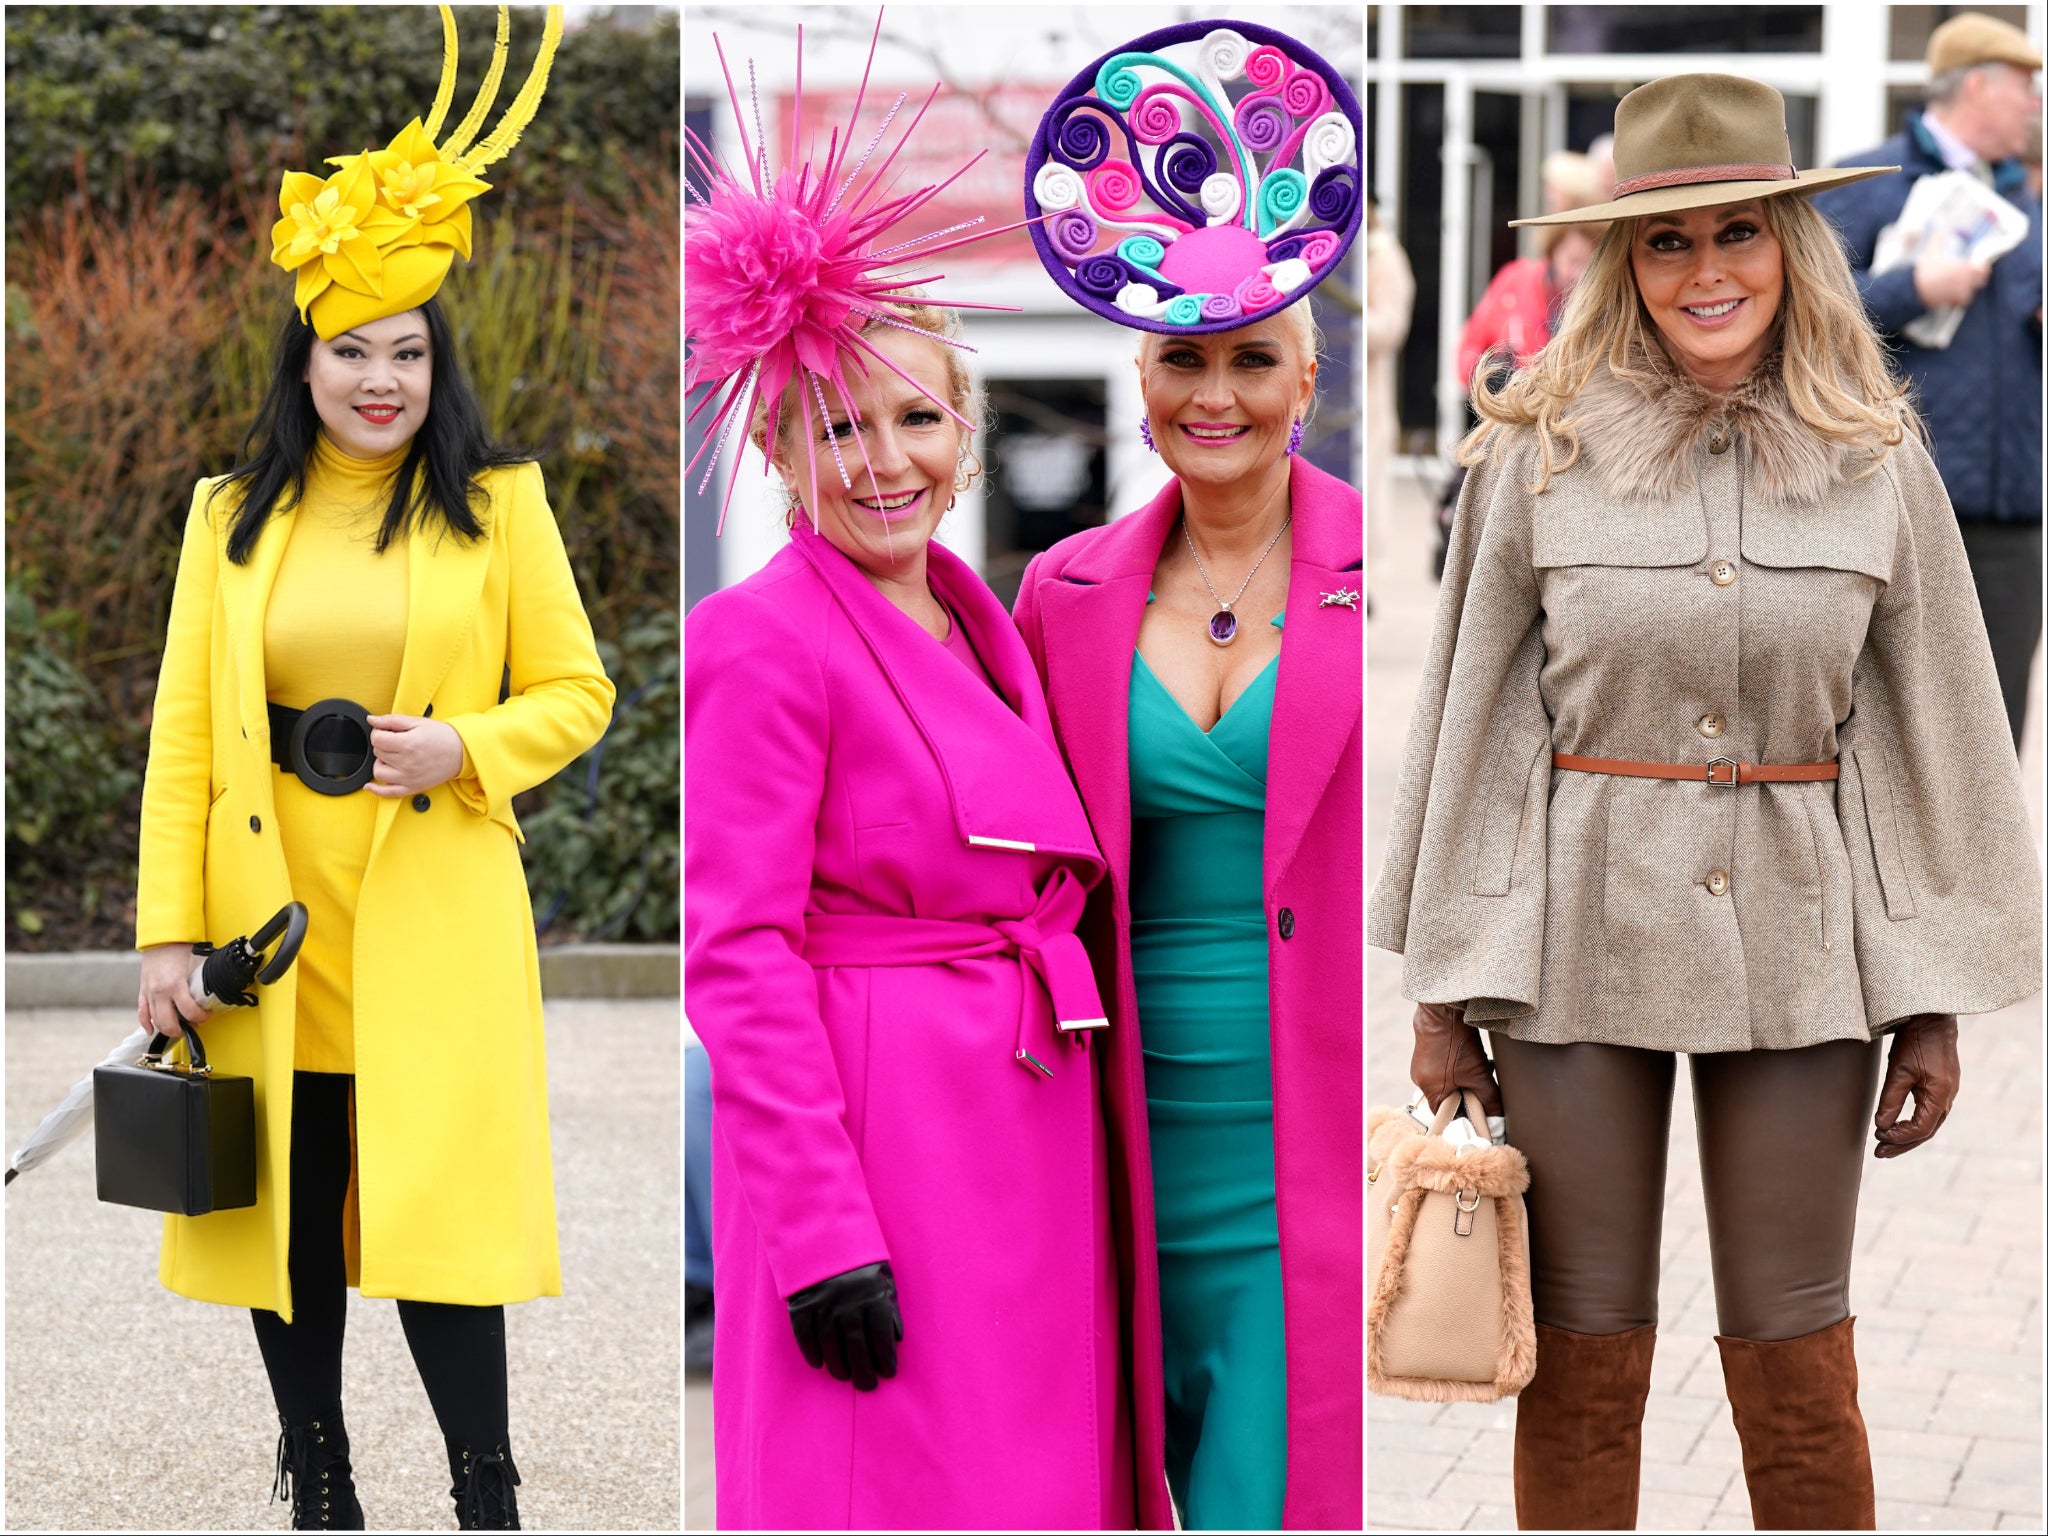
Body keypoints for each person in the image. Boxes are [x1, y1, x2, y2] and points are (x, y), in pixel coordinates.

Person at [1368, 73, 2042, 1532]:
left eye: (1738, 233)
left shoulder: (1878, 456)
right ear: (1621, 261)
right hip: (1572, 944)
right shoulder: (1534, 449)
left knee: (1801, 1353)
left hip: (1801, 946)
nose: (1706, 271)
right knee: (1583, 1357)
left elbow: (1933, 732)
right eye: (1666, 243)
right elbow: (1477, 722)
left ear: (1789, 247)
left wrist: (1928, 992)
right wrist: (1444, 992)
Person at [134, 9, 613, 1529]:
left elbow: (580, 692)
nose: (383, 379)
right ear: (307, 359)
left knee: (431, 1219)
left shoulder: (498, 503)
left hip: (432, 899)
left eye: (408, 352)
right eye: (354, 350)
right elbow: (185, 741)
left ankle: (487, 1488)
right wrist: (162, 935)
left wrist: (464, 745)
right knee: (289, 1211)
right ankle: (319, 1479)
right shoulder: (228, 516)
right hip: (272, 917)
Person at [682, 25, 1127, 1530]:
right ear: (776, 447)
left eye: (917, 417)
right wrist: (816, 1233)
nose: (882, 459)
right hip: (881, 1158)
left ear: (968, 427)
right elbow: (736, 956)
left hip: (1020, 1139)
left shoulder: (981, 615)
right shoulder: (758, 638)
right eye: (836, 425)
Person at [1016, 20, 1363, 1530]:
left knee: (1269, 1486)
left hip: (1316, 1115)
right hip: (1119, 1125)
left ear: (1308, 371)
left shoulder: (1384, 570)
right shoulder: (1063, 591)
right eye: (1181, 360)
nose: (1211, 395)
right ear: (1140, 375)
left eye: (1249, 361)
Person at [1814, 12, 2044, 747]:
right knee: (1891, 740)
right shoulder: (1869, 185)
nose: (2037, 104)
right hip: (1898, 510)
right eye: (2025, 87)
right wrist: (1912, 285)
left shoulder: (2022, 201)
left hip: (2010, 521)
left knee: (1991, 746)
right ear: (1977, 85)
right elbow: (1802, 312)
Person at [1366, 203, 1415, 585]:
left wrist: (1349, 321)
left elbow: (1392, 326)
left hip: (1368, 394)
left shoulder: (1383, 254)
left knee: (1367, 486)